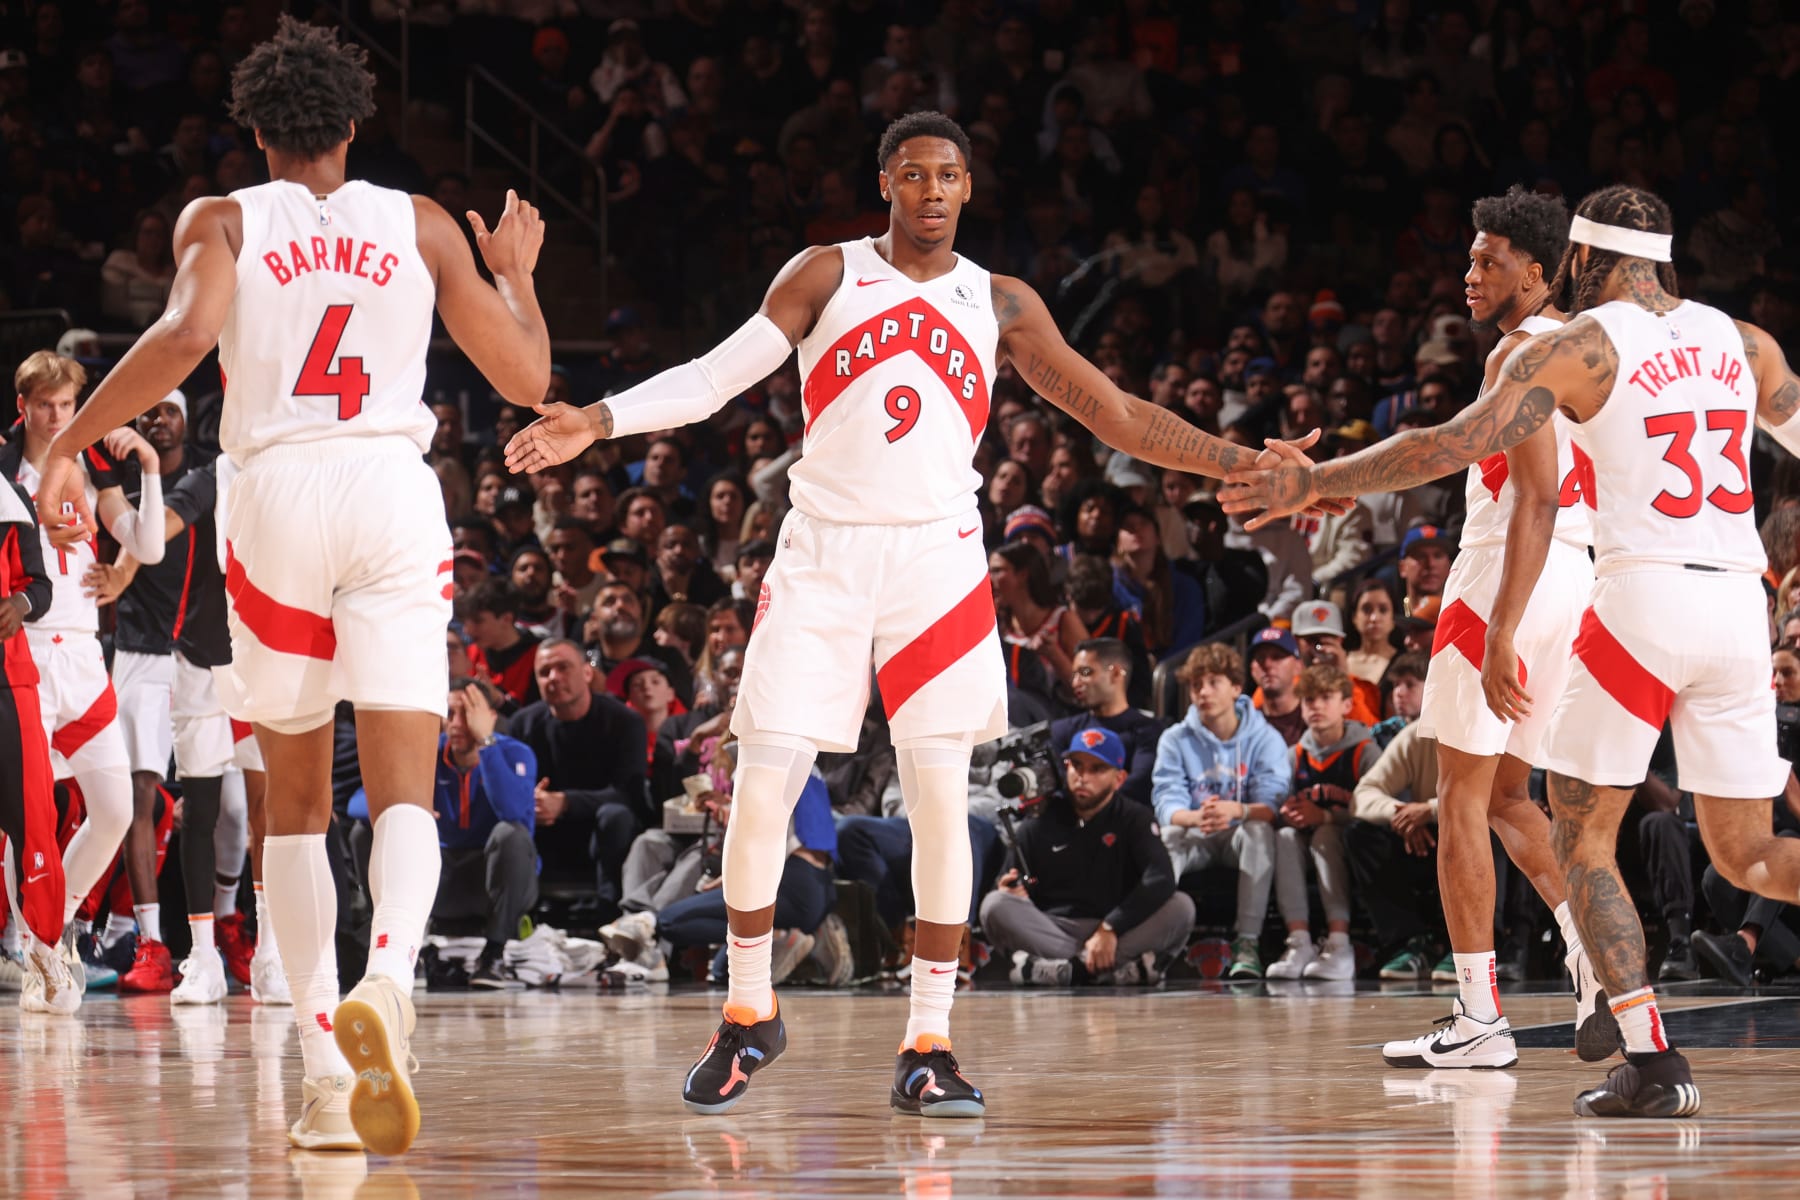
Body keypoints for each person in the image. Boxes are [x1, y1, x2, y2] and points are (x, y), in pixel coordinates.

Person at [504, 110, 1334, 1119]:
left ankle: (929, 1042)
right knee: (763, 786)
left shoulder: (1002, 300)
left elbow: (1115, 415)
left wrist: (1244, 462)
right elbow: (718, 377)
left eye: (950, 176)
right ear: (886, 183)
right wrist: (597, 419)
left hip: (937, 561)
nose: (933, 191)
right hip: (823, 553)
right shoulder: (826, 272)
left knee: (943, 797)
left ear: (969, 189)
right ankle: (747, 1011)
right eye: (914, 175)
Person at [36, 17, 550, 1154]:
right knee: (406, 785)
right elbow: (526, 374)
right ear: (355, 128)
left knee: (296, 803)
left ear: (257, 131)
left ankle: (325, 1072)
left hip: (274, 498)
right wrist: (515, 279)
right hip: (389, 484)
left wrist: (70, 442)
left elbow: (179, 340)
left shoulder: (221, 219)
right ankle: (391, 983)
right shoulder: (416, 224)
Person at [1221, 183, 1800, 1117]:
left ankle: (1634, 1052)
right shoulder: (1744, 341)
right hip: (1740, 605)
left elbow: (1449, 444)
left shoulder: (1575, 349)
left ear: (1574, 260)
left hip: (1636, 597)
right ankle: (1586, 1009)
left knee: (1574, 830)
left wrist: (1315, 480)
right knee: (1753, 855)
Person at [3, 350, 167, 1013]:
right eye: (43, 404)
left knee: (117, 811)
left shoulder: (94, 466)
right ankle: (33, 946)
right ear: (23, 407)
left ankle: (48, 930)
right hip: (25, 656)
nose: (55, 416)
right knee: (31, 818)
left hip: (84, 657)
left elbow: (149, 545)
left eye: (67, 404)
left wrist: (148, 469)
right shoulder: (6, 470)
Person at [985, 727, 1192, 986]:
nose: (1083, 776)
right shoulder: (1039, 820)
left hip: (1117, 929)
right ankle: (1108, 971)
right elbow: (1006, 881)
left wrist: (1110, 928)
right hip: (1054, 929)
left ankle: (1063, 972)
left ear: (1119, 779)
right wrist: (1010, 889)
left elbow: (1161, 878)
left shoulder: (1135, 818)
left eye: (1097, 769)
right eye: (1077, 765)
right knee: (994, 905)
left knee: (1182, 907)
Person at [1153, 641, 1292, 981]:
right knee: (1168, 836)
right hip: (1196, 832)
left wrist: (1237, 810)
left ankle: (1247, 943)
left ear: (1235, 687)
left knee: (1259, 832)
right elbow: (1165, 802)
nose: (1203, 692)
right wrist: (1196, 817)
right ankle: (1153, 941)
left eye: (1213, 682)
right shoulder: (1175, 738)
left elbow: (1273, 806)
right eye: (1196, 684)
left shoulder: (1265, 738)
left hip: (1238, 833)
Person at [509, 640, 650, 914]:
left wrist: (565, 802)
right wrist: (532, 802)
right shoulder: (523, 724)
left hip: (602, 829)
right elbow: (511, 790)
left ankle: (610, 914)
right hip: (546, 831)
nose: (554, 678)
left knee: (615, 815)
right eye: (544, 672)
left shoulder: (625, 721)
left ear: (587, 673)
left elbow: (628, 794)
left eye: (563, 667)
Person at [0, 473, 69, 1011]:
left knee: (33, 818)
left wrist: (20, 605)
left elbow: (40, 586)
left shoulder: (10, 497)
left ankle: (44, 952)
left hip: (9, 679)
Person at [1267, 666, 1377, 982]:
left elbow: (1378, 807)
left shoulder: (1364, 750)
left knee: (1326, 835)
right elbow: (1277, 805)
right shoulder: (1293, 755)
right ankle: (1299, 941)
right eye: (1309, 700)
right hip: (1306, 839)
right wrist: (1287, 812)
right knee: (1285, 836)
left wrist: (1327, 817)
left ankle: (1340, 943)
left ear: (1346, 705)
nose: (1315, 706)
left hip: (1353, 840)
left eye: (1325, 698)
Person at [433, 680, 538, 989]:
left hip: (494, 881)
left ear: (490, 717)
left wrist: (486, 743)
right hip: (442, 878)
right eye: (450, 713)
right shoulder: (426, 752)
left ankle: (494, 955)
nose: (456, 724)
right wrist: (408, 805)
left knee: (511, 835)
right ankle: (382, 950)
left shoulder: (515, 752)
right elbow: (360, 802)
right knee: (370, 829)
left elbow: (513, 812)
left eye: (467, 714)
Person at [1049, 638, 1164, 808]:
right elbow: (1055, 783)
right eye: (1074, 675)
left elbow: (1140, 783)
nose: (1075, 683)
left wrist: (1089, 801)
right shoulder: (1062, 730)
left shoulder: (1149, 730)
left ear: (1116, 673)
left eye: (1086, 672)